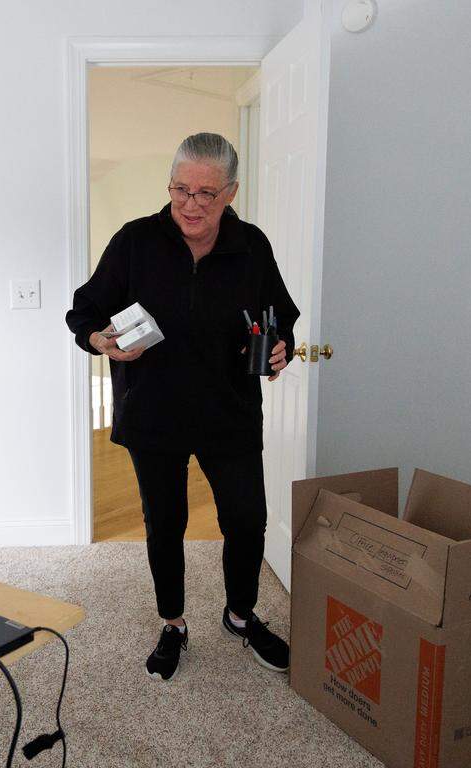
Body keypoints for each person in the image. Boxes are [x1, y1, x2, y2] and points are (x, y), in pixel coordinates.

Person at [65, 133, 300, 682]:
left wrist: (281, 345)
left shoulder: (252, 246)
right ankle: (173, 623)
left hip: (229, 411)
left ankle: (240, 616)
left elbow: (281, 314)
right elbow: (84, 310)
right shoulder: (135, 241)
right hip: (154, 412)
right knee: (164, 524)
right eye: (180, 190)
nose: (190, 205)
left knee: (247, 520)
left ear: (231, 192)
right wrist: (101, 341)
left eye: (206, 194)